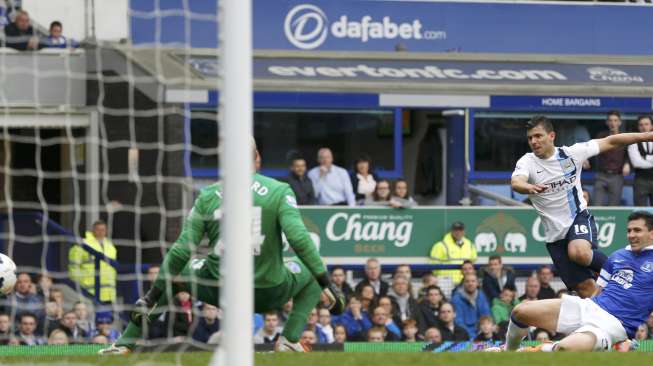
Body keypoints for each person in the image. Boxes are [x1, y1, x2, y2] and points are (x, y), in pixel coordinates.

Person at [100, 139, 345, 354]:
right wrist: (327, 283)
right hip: (269, 290)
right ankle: (289, 340)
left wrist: (152, 295)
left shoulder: (208, 195)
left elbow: (182, 250)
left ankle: (124, 344)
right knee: (313, 269)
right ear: (257, 157)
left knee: (174, 276)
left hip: (220, 289)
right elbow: (300, 240)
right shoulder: (279, 190)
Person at [511, 115, 653, 298]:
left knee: (579, 252)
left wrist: (646, 136)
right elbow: (516, 182)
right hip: (555, 238)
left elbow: (611, 141)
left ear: (551, 136)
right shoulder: (527, 161)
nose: (534, 141)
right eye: (530, 138)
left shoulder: (571, 154)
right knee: (588, 291)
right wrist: (528, 187)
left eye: (538, 136)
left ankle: (623, 270)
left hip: (577, 218)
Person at [498, 211, 653, 352]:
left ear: (651, 233)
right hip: (589, 307)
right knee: (520, 312)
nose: (631, 235)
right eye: (629, 230)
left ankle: (536, 350)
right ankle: (508, 353)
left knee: (565, 349)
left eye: (637, 230)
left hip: (613, 326)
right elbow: (598, 290)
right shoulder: (618, 255)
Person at [68, 220, 118, 303]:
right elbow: (73, 267)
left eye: (103, 230)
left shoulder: (110, 246)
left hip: (109, 292)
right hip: (89, 290)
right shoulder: (83, 244)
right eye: (98, 229)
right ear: (93, 230)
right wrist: (78, 285)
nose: (101, 232)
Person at [593, 111, 630, 206]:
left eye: (615, 120)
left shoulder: (624, 137)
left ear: (620, 122)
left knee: (614, 207)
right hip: (601, 175)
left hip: (617, 176)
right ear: (607, 122)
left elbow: (629, 155)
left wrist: (627, 164)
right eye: (610, 120)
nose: (613, 123)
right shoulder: (601, 136)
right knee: (596, 205)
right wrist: (585, 159)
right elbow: (592, 150)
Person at [451, 273, 491, 338]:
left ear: (477, 283)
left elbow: (486, 316)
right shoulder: (456, 299)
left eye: (473, 281)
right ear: (463, 283)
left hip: (481, 331)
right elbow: (458, 322)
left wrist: (483, 331)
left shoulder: (481, 296)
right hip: (465, 334)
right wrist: (474, 336)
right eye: (467, 281)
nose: (470, 284)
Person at [628, 115, 653, 206]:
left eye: (646, 124)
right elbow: (636, 163)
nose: (644, 127)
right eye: (641, 125)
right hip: (640, 181)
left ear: (651, 126)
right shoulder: (633, 141)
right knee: (640, 211)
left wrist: (645, 158)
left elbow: (640, 161)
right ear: (638, 127)